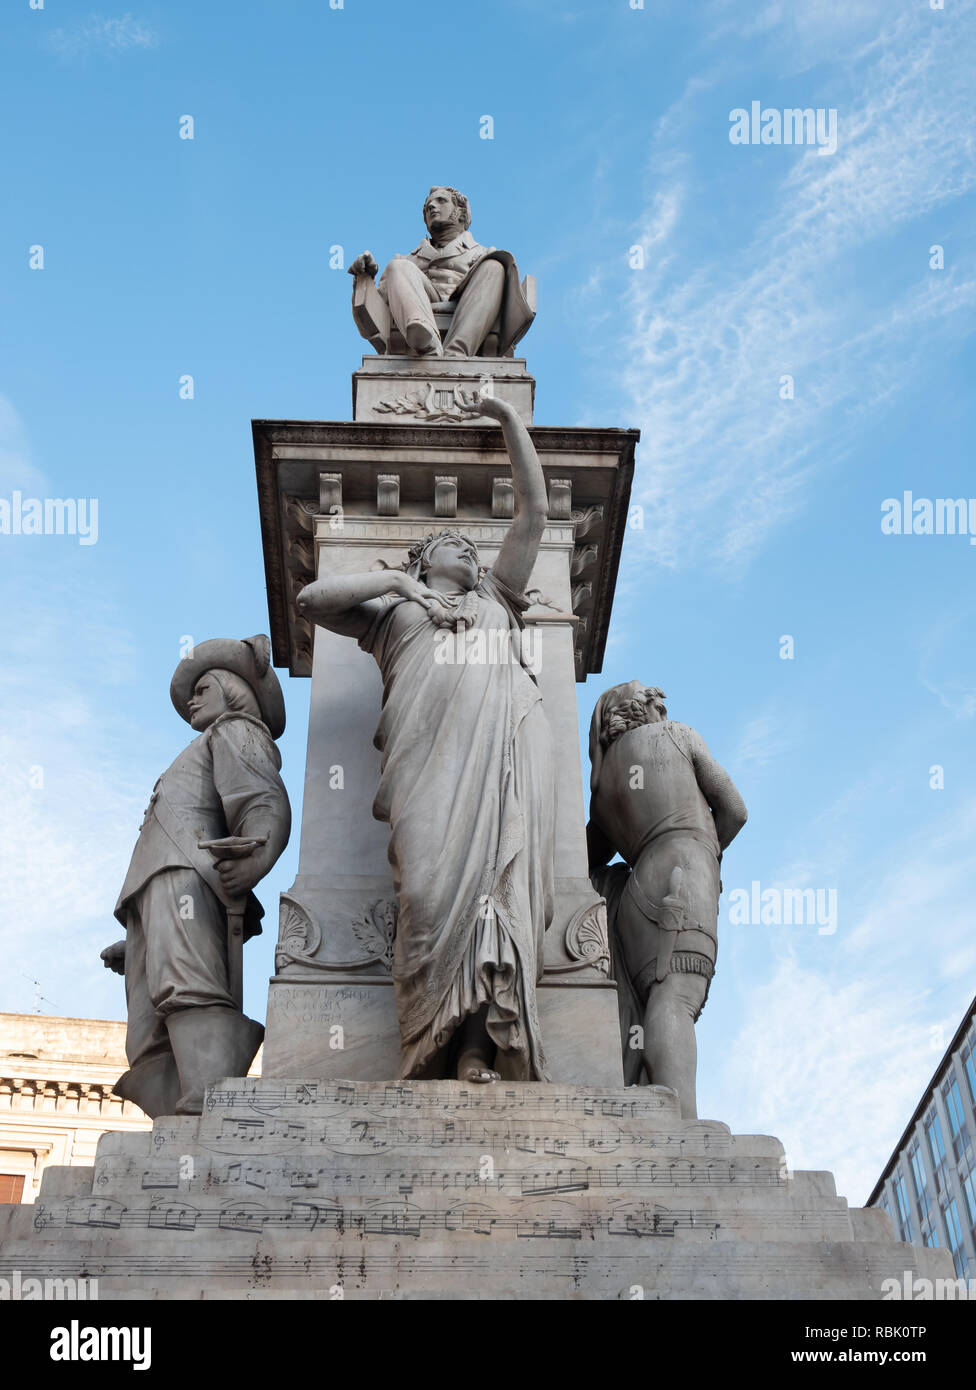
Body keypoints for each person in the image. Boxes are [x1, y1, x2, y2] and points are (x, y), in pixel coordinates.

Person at [297, 393, 554, 1083]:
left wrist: (508, 424)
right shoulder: (390, 616)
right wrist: (396, 586)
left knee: (489, 899)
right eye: (455, 545)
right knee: (430, 897)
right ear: (422, 560)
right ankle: (423, 1045)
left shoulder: (499, 600)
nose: (469, 553)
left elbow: (534, 512)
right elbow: (310, 603)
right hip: (422, 774)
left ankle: (473, 1048)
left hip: (491, 774)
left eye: (474, 549)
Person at [102, 636, 291, 1117]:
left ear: (232, 690)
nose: (192, 697)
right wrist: (139, 935)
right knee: (150, 1014)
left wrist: (254, 862)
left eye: (202, 687)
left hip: (187, 876)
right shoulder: (205, 742)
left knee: (188, 982)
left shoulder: (235, 731)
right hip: (153, 891)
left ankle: (208, 1097)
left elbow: (262, 801)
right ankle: (177, 1114)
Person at [587, 681, 746, 1118]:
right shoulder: (678, 735)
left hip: (638, 886)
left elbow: (584, 858)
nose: (662, 708)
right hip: (684, 870)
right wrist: (708, 852)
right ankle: (682, 1126)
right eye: (657, 703)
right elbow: (734, 808)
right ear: (647, 709)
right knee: (676, 997)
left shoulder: (601, 792)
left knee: (655, 996)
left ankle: (654, 1104)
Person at [348, 185, 534, 358]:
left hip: (466, 306)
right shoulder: (407, 260)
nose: (431, 206)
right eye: (428, 205)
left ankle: (456, 354)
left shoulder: (481, 253)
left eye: (441, 201)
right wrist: (364, 278)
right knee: (397, 265)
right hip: (424, 306)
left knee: (495, 265)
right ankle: (425, 340)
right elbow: (374, 317)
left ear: (461, 213)